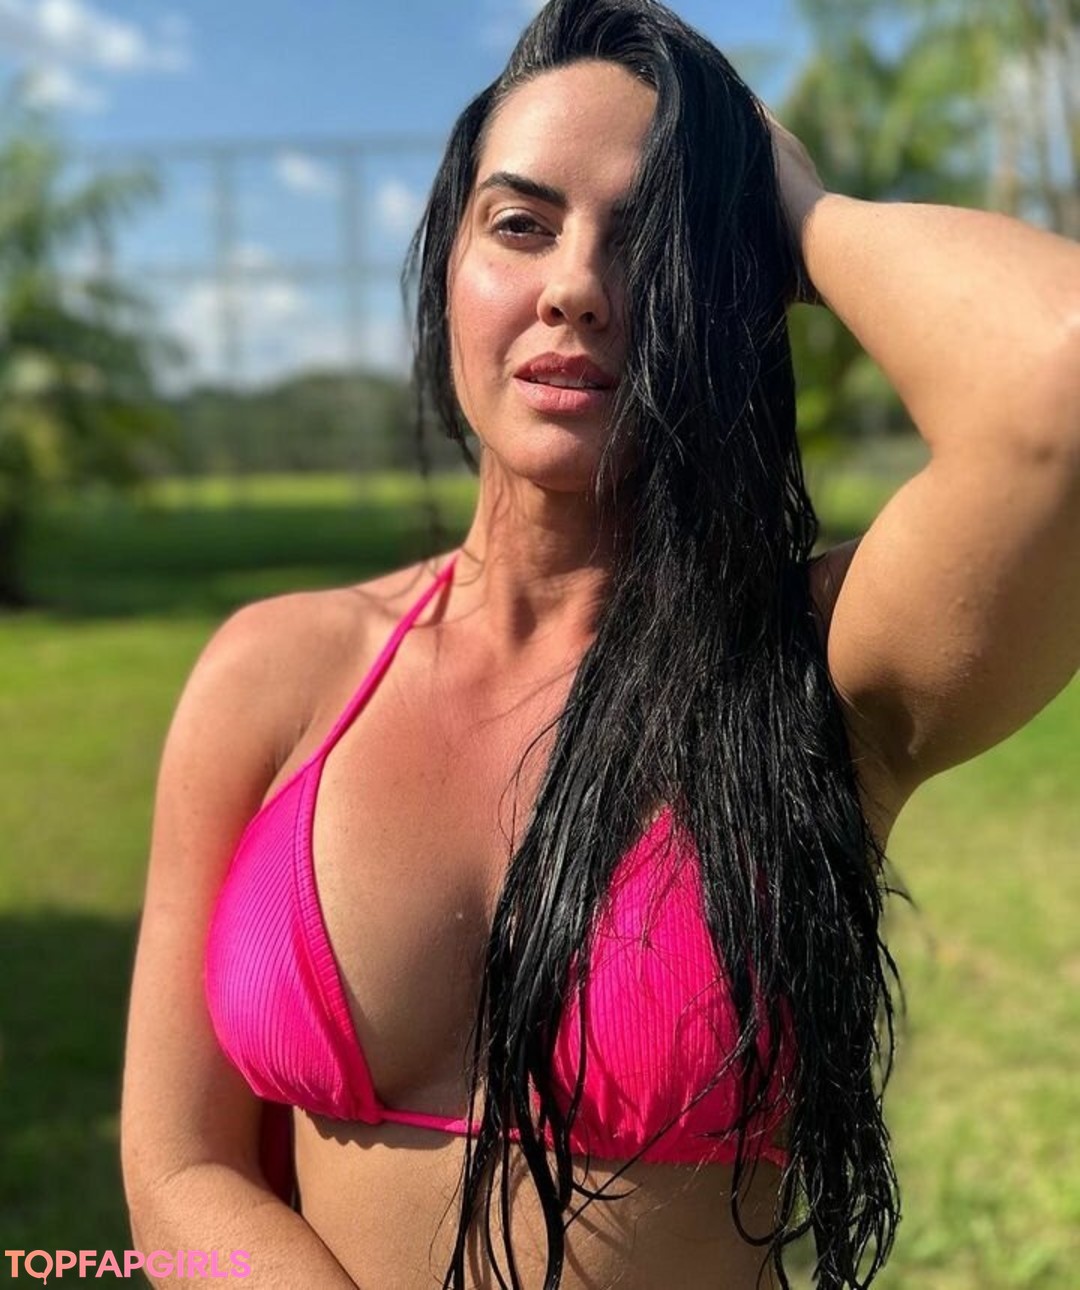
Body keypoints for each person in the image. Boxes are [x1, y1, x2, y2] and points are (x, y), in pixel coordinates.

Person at [120, 1, 1079, 1287]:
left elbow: (1059, 388)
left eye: (653, 242)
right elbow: (180, 1164)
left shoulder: (819, 668)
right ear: (447, 268)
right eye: (520, 225)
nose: (576, 286)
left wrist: (793, 206)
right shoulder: (276, 672)